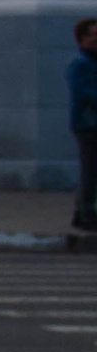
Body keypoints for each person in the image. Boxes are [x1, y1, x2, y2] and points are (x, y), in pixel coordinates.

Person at [71, 19, 97, 232]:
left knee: (91, 170)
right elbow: (82, 92)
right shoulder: (79, 63)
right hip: (87, 124)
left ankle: (83, 212)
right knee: (89, 170)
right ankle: (86, 213)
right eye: (93, 35)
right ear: (82, 39)